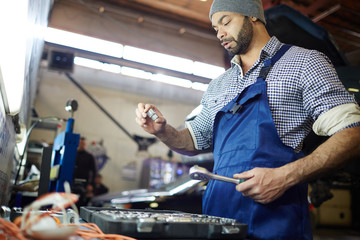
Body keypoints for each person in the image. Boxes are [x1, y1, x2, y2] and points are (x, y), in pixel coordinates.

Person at [135, 0, 360, 239]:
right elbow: (193, 142)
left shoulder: (304, 63)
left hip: (276, 221)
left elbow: (352, 133)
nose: (220, 33)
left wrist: (285, 177)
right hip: (218, 220)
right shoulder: (219, 85)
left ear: (253, 16)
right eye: (215, 28)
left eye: (226, 21)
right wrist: (163, 131)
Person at [72, 137, 98, 206]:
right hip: (72, 182)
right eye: (80, 143)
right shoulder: (72, 155)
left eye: (83, 143)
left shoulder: (89, 156)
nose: (81, 145)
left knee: (81, 202)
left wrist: (91, 184)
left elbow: (94, 171)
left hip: (84, 184)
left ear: (85, 144)